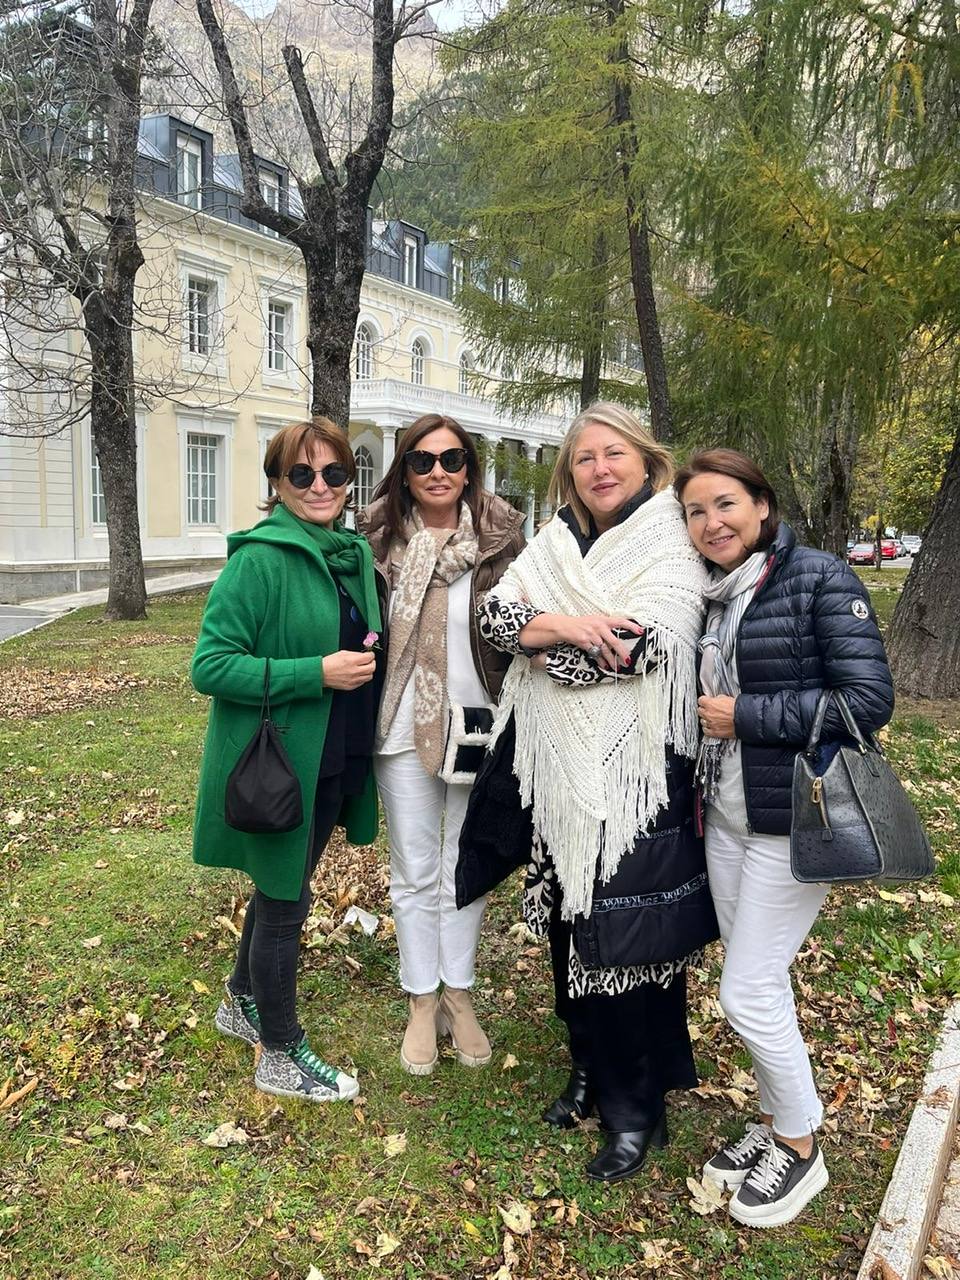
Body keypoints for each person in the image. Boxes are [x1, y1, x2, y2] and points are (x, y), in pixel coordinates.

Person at [474, 402, 718, 1183]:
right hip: (554, 776)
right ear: (568, 471)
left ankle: (637, 1107)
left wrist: (548, 642)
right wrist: (575, 629)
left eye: (614, 454)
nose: (600, 469)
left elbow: (642, 648)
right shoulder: (551, 543)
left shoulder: (670, 544)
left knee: (630, 945)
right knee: (568, 931)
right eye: (585, 458)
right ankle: (586, 1068)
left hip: (636, 777)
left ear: (647, 462)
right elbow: (495, 618)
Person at [675, 448, 894, 1228]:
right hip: (728, 816)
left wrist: (748, 716)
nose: (713, 522)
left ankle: (801, 1149)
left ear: (762, 506)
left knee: (745, 991)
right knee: (758, 981)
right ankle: (773, 1124)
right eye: (697, 510)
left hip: (798, 820)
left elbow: (868, 700)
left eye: (726, 504)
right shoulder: (712, 596)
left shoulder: (819, 578)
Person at [191, 418, 383, 1103]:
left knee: (284, 886)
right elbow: (210, 666)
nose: (321, 486)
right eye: (302, 474)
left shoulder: (348, 555)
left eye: (334, 473)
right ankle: (279, 1051)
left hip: (335, 757)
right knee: (284, 901)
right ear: (276, 485)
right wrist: (316, 673)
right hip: (281, 766)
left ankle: (240, 1001)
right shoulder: (260, 559)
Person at [357, 414, 524, 1076]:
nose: (437, 473)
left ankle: (459, 992)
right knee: (415, 870)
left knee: (466, 865)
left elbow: (523, 622)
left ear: (468, 467)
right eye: (422, 461)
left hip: (477, 723)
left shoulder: (501, 539)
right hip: (399, 724)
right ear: (404, 469)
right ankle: (422, 999)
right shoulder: (376, 540)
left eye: (451, 459)